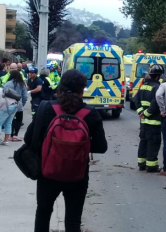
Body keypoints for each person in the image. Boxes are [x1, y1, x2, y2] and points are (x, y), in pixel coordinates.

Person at [24, 69, 107, 232]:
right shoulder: (90, 113)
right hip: (78, 174)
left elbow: (29, 139)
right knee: (73, 220)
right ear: (82, 89)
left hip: (47, 172)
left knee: (43, 213)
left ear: (60, 86)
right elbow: (101, 146)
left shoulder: (45, 108)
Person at [135, 64, 164, 172]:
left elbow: (136, 100)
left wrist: (141, 113)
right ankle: (151, 166)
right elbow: (155, 103)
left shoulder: (142, 86)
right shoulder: (158, 88)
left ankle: (141, 164)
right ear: (158, 76)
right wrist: (147, 113)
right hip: (154, 122)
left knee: (143, 142)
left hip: (143, 122)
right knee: (153, 143)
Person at [4, 70, 28, 141]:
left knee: (10, 120)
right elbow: (25, 96)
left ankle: (10, 135)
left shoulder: (7, 84)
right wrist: (22, 103)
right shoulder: (22, 84)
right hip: (19, 105)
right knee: (19, 120)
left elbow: (3, 93)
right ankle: (15, 135)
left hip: (9, 105)